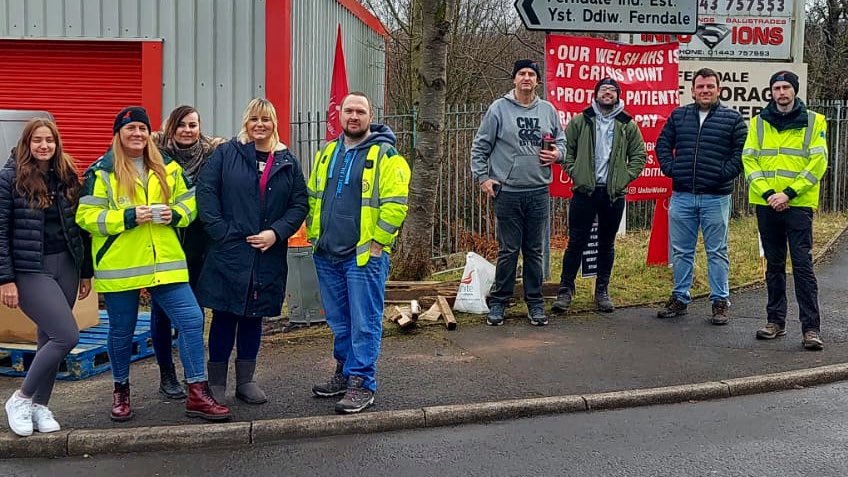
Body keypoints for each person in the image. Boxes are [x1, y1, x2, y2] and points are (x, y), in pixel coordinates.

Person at [76, 106, 229, 422]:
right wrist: (127, 217)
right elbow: (86, 216)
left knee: (190, 319)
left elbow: (190, 203)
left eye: (142, 129)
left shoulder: (167, 167)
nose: (137, 134)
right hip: (122, 264)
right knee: (121, 331)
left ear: (150, 134)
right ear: (119, 134)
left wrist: (175, 214)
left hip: (165, 261)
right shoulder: (102, 171)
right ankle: (121, 391)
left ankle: (197, 393)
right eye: (130, 129)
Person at [196, 98, 308, 404]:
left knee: (252, 318)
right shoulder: (227, 153)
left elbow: (300, 203)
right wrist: (221, 232)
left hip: (266, 254)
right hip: (229, 252)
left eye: (266, 120)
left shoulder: (287, 161)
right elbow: (206, 193)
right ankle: (216, 382)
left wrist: (276, 233)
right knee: (223, 316)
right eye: (254, 119)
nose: (260, 125)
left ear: (274, 124)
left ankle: (246, 380)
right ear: (246, 122)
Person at [307, 91, 410, 414]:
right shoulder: (327, 153)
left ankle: (362, 383)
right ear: (340, 114)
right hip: (327, 254)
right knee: (340, 322)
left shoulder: (386, 155)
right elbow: (312, 197)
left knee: (364, 322)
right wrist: (314, 235)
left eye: (360, 112)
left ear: (370, 116)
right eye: (349, 110)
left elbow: (395, 205)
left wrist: (378, 243)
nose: (354, 116)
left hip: (363, 256)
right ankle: (345, 371)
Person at [1, 119, 93, 437]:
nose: (44, 146)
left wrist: (85, 272)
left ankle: (40, 406)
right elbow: (0, 233)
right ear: (26, 143)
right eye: (37, 140)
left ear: (57, 144)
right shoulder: (9, 178)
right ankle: (20, 398)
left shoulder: (65, 176)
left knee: (48, 338)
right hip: (30, 269)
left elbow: (80, 227)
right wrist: (5, 279)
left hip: (66, 264)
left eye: (49, 140)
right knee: (66, 336)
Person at [470, 59, 564, 327]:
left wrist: (557, 153)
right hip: (507, 191)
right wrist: (483, 178)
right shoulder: (498, 109)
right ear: (514, 79)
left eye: (531, 74)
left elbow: (563, 143)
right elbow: (480, 147)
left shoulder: (547, 110)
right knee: (508, 250)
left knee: (534, 250)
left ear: (537, 80)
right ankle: (499, 302)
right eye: (521, 73)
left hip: (538, 191)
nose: (526, 78)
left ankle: (535, 304)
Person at [742, 71, 828, 350]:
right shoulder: (757, 123)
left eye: (786, 87)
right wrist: (770, 194)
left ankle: (811, 328)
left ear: (795, 90)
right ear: (771, 92)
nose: (781, 92)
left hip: (798, 204)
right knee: (774, 265)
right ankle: (775, 322)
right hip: (767, 203)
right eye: (777, 88)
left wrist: (788, 193)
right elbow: (749, 161)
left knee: (803, 266)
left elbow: (818, 163)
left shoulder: (815, 121)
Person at [656, 68, 747, 325]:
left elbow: (741, 154)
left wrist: (722, 174)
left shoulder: (732, 119)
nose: (705, 90)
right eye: (700, 86)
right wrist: (672, 169)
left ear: (719, 89)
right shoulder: (679, 115)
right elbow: (663, 144)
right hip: (683, 195)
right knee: (681, 251)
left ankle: (720, 301)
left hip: (715, 197)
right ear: (693, 89)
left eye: (709, 86)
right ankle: (680, 298)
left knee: (717, 251)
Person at [551, 78, 647, 314]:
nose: (607, 93)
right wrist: (576, 173)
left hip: (613, 194)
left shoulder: (627, 124)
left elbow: (639, 156)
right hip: (585, 192)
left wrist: (624, 177)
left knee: (606, 243)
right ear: (596, 95)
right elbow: (565, 150)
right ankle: (565, 290)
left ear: (617, 95)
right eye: (603, 90)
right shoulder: (581, 120)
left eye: (612, 91)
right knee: (576, 242)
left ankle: (602, 290)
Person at [148, 106, 225, 400]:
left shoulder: (212, 152)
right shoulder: (154, 153)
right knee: (162, 312)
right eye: (181, 125)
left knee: (194, 312)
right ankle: (166, 373)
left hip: (199, 243)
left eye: (193, 125)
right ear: (170, 127)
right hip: (164, 241)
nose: (187, 130)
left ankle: (193, 373)